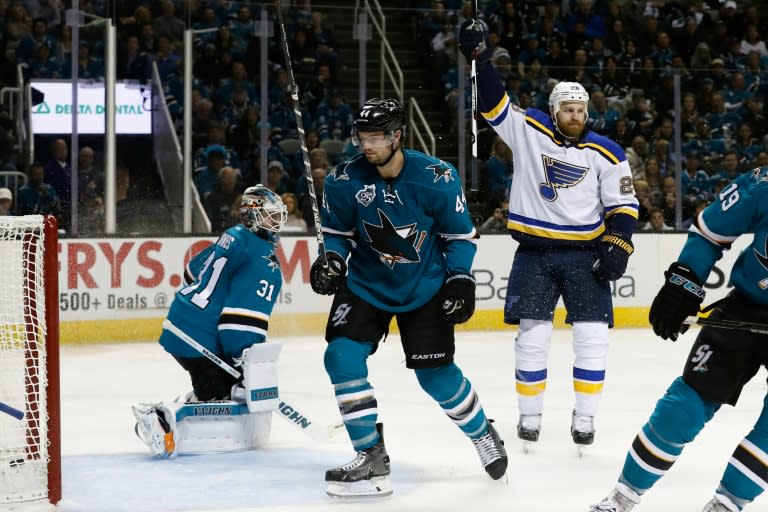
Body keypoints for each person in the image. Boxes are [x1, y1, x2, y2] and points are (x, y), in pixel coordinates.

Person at [309, 98, 507, 498]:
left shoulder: (437, 177)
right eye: (363, 137)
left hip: (425, 285)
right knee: (340, 356)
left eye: (377, 137)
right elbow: (338, 233)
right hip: (365, 283)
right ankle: (370, 455)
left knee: (436, 376)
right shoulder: (343, 180)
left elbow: (459, 236)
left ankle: (482, 432)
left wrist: (461, 280)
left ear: (398, 136)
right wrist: (330, 259)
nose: (368, 145)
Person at [459, 21, 639, 450]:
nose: (575, 116)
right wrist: (478, 58)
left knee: (592, 339)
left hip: (585, 256)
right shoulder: (529, 130)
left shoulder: (607, 152)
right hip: (535, 253)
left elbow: (624, 207)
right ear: (555, 110)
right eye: (568, 109)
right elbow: (491, 104)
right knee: (532, 337)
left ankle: (585, 418)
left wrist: (619, 245)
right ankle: (529, 416)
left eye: (580, 110)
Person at [590, 166, 768, 511]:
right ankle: (624, 495)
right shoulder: (764, 185)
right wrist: (684, 281)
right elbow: (709, 233)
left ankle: (727, 504)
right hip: (748, 306)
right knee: (685, 405)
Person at [132, 185, 288, 457]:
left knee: (219, 385)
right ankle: (161, 417)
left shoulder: (233, 235)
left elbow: (193, 272)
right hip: (198, 338)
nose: (277, 223)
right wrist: (244, 362)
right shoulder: (263, 261)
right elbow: (238, 324)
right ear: (254, 217)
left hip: (181, 321)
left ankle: (194, 398)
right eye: (271, 216)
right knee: (228, 396)